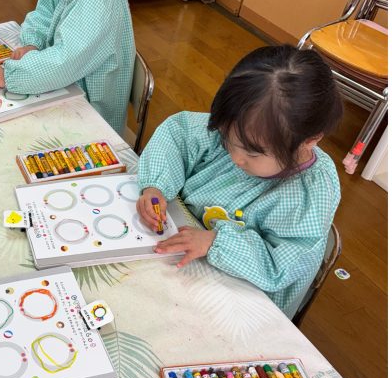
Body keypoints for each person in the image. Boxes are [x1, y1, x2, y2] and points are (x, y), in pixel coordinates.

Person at [136, 45, 342, 317]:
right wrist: (156, 185)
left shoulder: (310, 194)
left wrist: (215, 242)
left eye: (251, 153)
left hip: (240, 300)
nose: (234, 156)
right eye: (226, 138)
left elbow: (279, 266)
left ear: (309, 141)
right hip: (185, 254)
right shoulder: (244, 131)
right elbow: (177, 135)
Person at [0, 0, 160, 135]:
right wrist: (33, 43)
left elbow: (61, 63)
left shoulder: (99, 10)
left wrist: (7, 77)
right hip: (62, 91)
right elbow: (43, 14)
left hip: (91, 124)